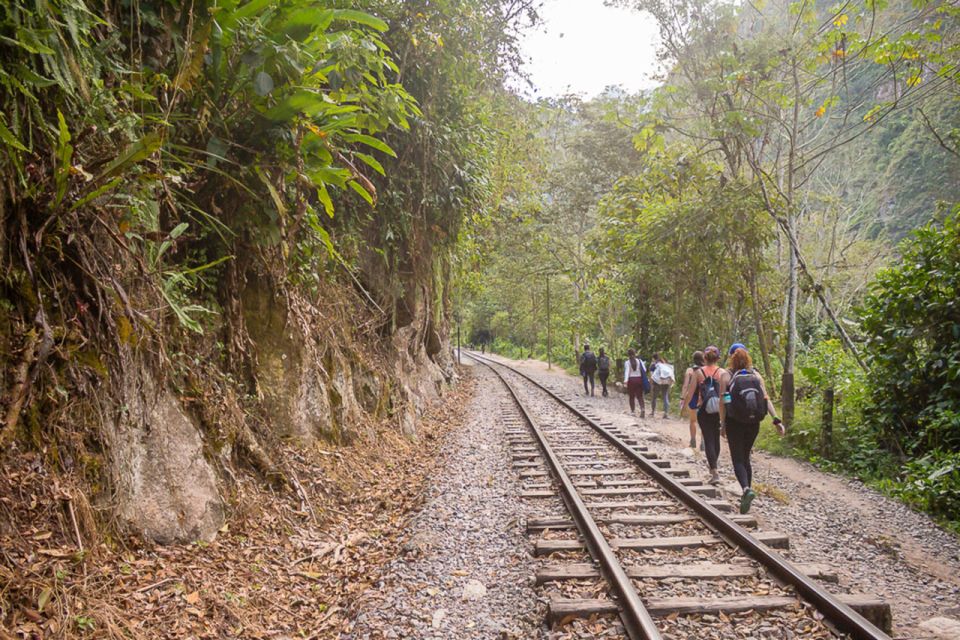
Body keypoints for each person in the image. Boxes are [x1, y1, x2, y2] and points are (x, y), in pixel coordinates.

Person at [719, 343, 787, 513]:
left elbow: (723, 403)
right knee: (746, 456)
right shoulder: (756, 376)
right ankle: (747, 493)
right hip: (753, 423)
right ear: (748, 358)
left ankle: (746, 490)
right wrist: (776, 420)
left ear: (731, 358)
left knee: (737, 458)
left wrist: (722, 423)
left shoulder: (726, 376)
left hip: (734, 422)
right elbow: (765, 398)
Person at [685, 346, 725, 485]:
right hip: (719, 410)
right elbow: (728, 394)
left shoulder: (698, 372)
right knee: (716, 439)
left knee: (708, 439)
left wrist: (685, 406)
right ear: (718, 358)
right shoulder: (723, 373)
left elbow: (690, 393)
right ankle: (714, 465)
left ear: (704, 358)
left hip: (704, 409)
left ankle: (714, 471)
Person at [680, 351, 706, 449]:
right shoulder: (705, 370)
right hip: (703, 397)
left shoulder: (690, 370)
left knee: (693, 420)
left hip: (693, 397)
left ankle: (693, 440)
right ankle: (703, 442)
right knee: (703, 421)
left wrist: (683, 398)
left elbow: (686, 385)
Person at [623, 349, 647, 417]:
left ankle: (633, 411)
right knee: (640, 396)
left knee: (631, 396)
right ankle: (642, 408)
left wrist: (625, 381)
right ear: (635, 353)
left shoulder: (627, 362)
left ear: (628, 355)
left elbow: (627, 372)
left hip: (631, 380)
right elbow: (644, 369)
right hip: (639, 379)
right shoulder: (639, 361)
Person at [648, 353, 674, 418]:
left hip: (657, 382)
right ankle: (666, 413)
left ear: (653, 358)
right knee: (665, 397)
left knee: (654, 397)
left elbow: (652, 375)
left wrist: (651, 384)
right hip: (666, 381)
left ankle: (653, 412)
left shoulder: (653, 365)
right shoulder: (665, 363)